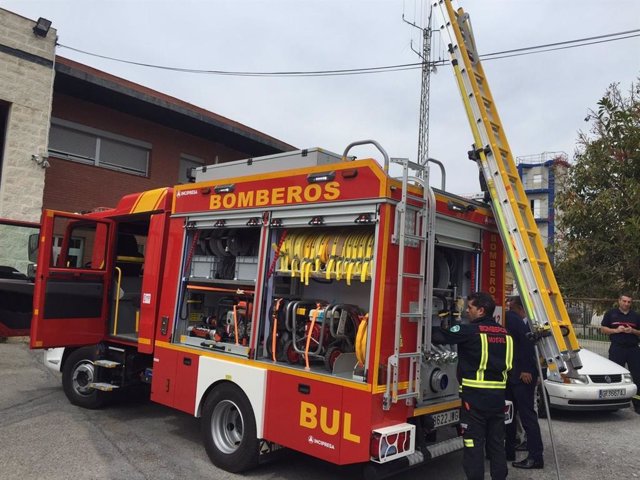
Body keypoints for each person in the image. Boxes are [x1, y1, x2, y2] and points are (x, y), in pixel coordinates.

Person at [433, 292, 513, 480]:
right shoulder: (505, 334)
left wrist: (441, 319)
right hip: (498, 398)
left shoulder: (470, 331)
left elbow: (438, 336)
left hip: (474, 400)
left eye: (470, 308)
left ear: (481, 310)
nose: (467, 311)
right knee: (496, 444)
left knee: (473, 444)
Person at [504, 296, 544, 469]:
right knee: (513, 414)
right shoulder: (516, 319)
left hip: (520, 375)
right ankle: (511, 450)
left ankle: (535, 457)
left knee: (524, 416)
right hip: (516, 374)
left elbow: (528, 342)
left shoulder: (513, 319)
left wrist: (526, 369)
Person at [601, 294, 640, 414]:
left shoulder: (636, 316)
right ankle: (613, 405)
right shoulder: (611, 314)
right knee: (614, 377)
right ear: (619, 301)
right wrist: (616, 330)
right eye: (624, 301)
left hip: (633, 349)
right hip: (617, 348)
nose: (626, 304)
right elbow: (603, 329)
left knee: (638, 377)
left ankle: (637, 404)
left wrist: (633, 331)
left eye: (629, 302)